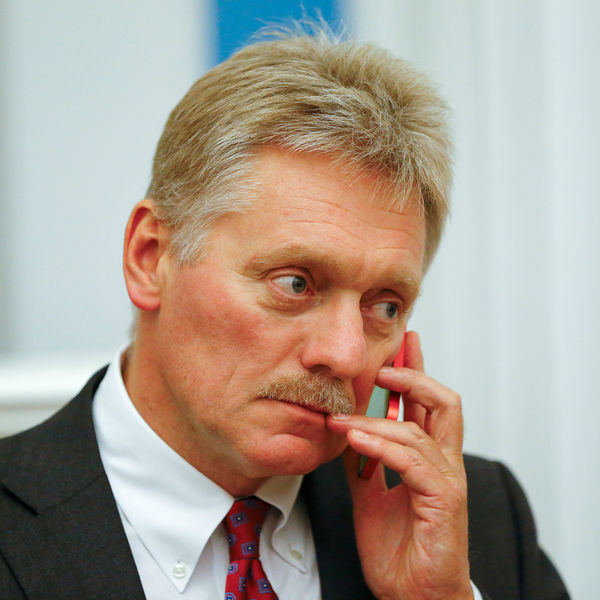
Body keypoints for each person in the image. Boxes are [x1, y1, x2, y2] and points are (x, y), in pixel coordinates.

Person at [0, 26, 569, 600]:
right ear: (150, 258)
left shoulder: (465, 523)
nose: (346, 355)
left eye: (385, 305)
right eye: (296, 284)